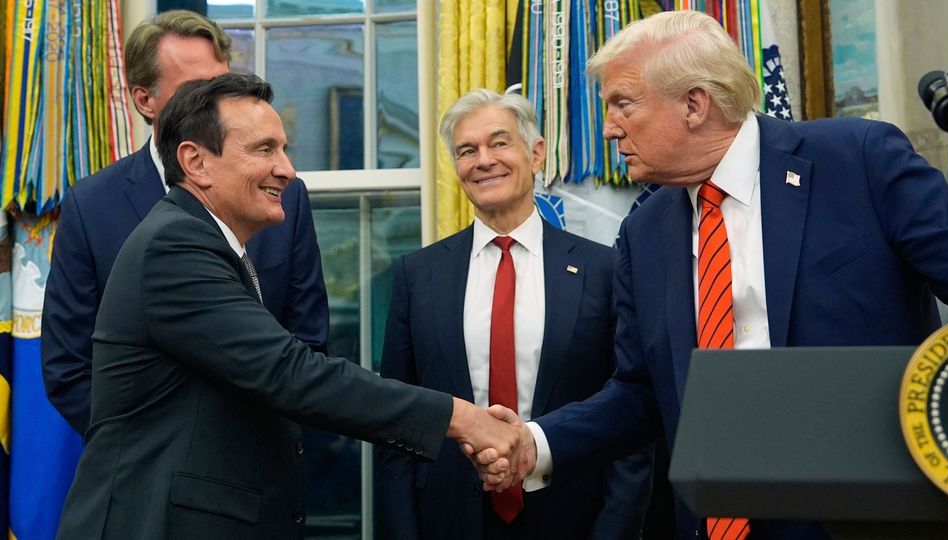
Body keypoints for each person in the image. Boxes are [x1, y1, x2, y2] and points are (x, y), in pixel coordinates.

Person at [473, 10, 948, 540]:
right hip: (717, 518)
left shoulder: (857, 160)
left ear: (694, 104)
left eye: (623, 104)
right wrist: (536, 443)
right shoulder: (644, 232)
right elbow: (642, 391)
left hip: (868, 516)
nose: (608, 127)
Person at [55, 72, 519, 540]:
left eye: (283, 149)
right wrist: (462, 419)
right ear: (196, 162)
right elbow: (289, 372)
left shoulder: (206, 243)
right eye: (264, 150)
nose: (287, 169)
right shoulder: (174, 246)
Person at [374, 89, 650, 540]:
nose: (484, 160)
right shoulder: (417, 275)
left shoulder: (604, 269)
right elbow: (397, 423)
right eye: (467, 150)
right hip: (449, 519)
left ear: (536, 154)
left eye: (499, 143)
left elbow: (631, 414)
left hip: (573, 516)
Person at [41, 10, 330, 435]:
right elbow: (70, 369)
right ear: (145, 100)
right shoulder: (91, 206)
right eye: (198, 89)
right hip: (147, 465)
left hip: (266, 455)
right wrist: (158, 454)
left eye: (222, 84)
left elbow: (309, 340)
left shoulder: (283, 196)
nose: (218, 103)